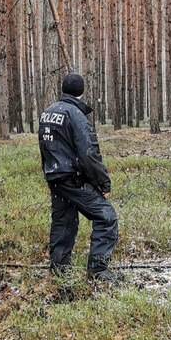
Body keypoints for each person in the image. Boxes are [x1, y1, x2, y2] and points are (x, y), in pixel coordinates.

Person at [38, 72, 119, 282]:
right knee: (106, 217)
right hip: (72, 179)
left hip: (55, 177)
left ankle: (59, 269)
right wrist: (102, 183)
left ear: (63, 88)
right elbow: (89, 153)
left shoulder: (48, 112)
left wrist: (49, 172)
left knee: (63, 222)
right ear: (81, 91)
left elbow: (44, 147)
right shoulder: (75, 115)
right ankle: (98, 270)